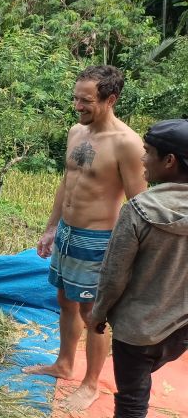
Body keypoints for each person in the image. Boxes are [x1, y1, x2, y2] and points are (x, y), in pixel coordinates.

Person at [23, 65, 147, 411]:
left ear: (111, 99)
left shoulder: (127, 144)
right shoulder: (76, 131)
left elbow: (139, 205)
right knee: (65, 301)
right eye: (76, 98)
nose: (78, 106)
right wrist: (51, 227)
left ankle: (91, 382)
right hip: (67, 233)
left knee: (94, 313)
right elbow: (68, 181)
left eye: (86, 100)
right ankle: (64, 363)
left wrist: (133, 255)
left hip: (99, 240)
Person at [88, 119, 188, 418]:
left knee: (132, 401)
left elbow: (114, 275)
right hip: (182, 328)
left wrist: (98, 314)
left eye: (148, 152)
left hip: (137, 332)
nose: (142, 158)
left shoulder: (138, 209)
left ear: (169, 161)